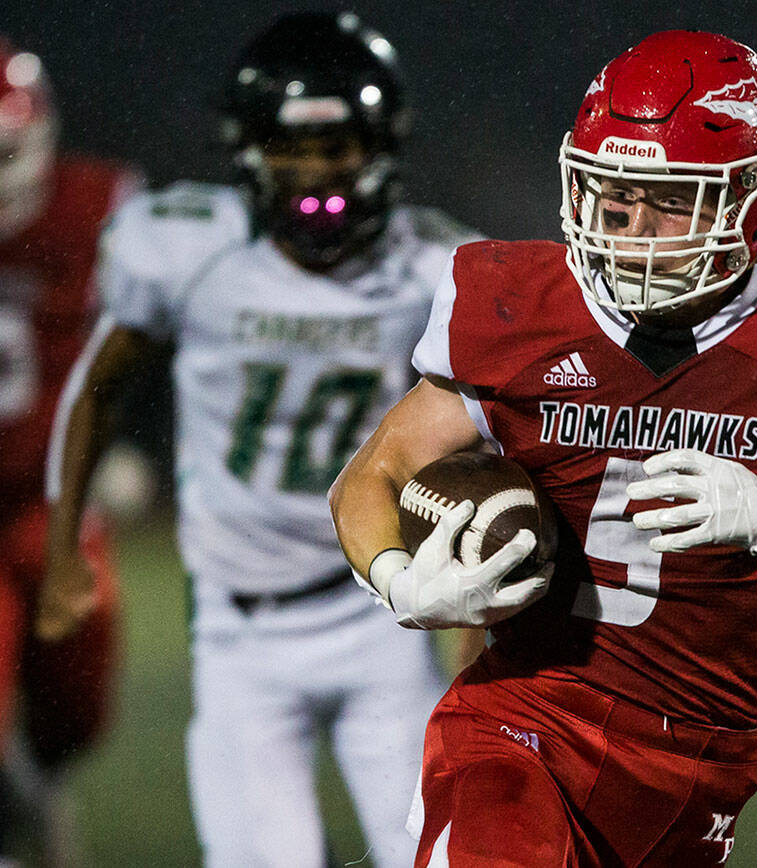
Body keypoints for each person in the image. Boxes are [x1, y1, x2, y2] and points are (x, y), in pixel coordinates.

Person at [329, 29, 757, 867]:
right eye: (612, 192)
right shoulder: (518, 303)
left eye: (669, 198)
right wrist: (398, 578)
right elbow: (371, 477)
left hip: (696, 765)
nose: (631, 226)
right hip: (523, 724)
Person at [36, 13, 478, 867]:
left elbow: (508, 423)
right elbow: (99, 383)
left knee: (439, 857)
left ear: (381, 146)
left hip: (386, 612)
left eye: (338, 148)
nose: (316, 175)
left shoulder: (436, 269)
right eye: (291, 150)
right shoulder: (188, 249)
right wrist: (63, 550)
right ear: (248, 150)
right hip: (242, 635)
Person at [0, 37, 136, 865]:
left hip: (52, 498)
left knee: (76, 707)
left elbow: (154, 336)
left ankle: (37, 804)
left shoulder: (99, 208)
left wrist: (134, 444)